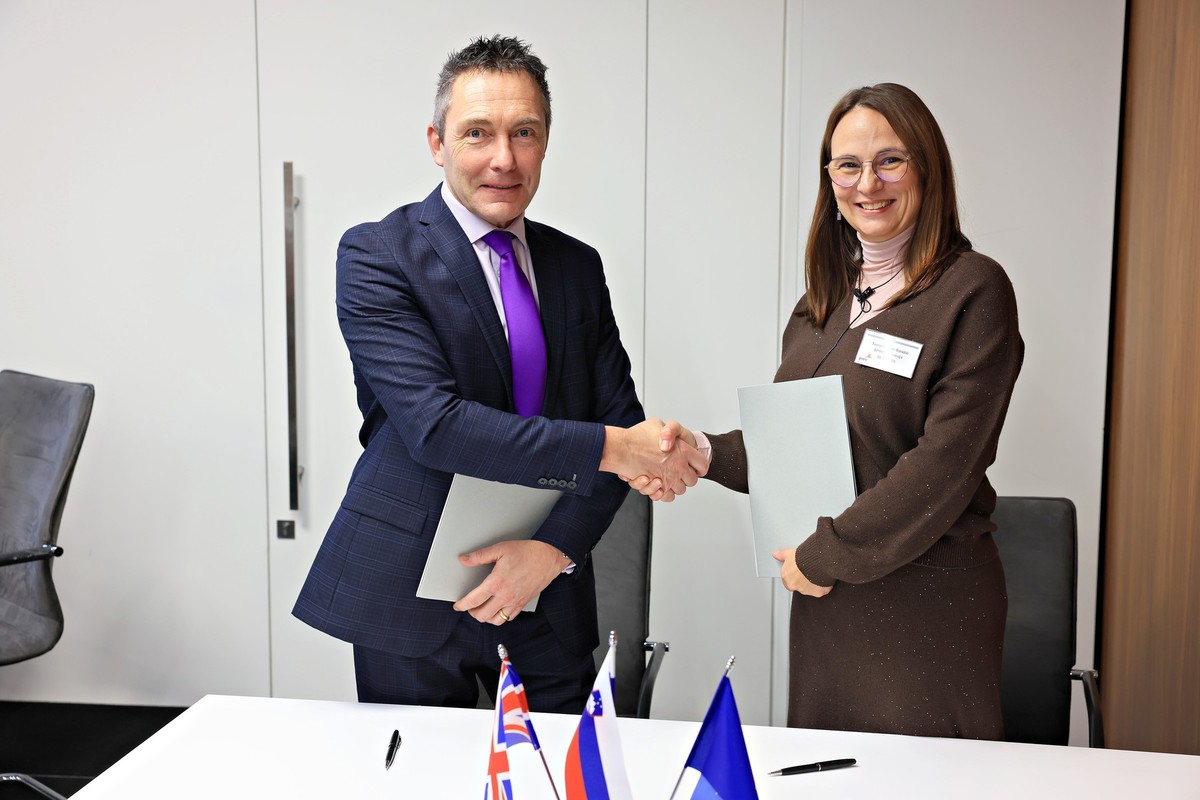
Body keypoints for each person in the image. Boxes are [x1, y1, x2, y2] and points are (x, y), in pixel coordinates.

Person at [293, 35, 705, 713]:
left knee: (562, 766)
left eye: (524, 133)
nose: (503, 158)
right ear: (437, 142)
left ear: (545, 143)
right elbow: (437, 427)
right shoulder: (378, 255)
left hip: (546, 593)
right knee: (420, 769)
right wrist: (614, 448)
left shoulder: (576, 266)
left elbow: (621, 424)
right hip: (412, 594)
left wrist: (553, 551)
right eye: (477, 133)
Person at [635, 83, 1023, 738]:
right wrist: (701, 451)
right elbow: (797, 446)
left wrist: (823, 555)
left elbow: (944, 466)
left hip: (924, 607)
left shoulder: (973, 289)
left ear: (927, 167)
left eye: (890, 160)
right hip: (828, 602)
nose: (868, 183)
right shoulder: (822, 305)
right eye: (848, 165)